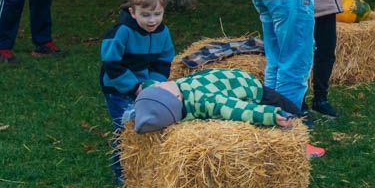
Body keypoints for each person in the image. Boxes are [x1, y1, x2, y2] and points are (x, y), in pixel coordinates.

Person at [99, 0, 175, 183]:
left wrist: (153, 84)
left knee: (148, 122)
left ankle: (146, 167)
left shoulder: (162, 32)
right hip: (117, 88)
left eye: (157, 14)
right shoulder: (121, 32)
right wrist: (134, 86)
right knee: (125, 128)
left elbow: (164, 61)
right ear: (133, 12)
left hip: (144, 86)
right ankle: (121, 173)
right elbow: (111, 63)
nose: (152, 20)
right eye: (146, 15)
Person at [124, 68, 302, 133]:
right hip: (251, 88)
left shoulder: (166, 95)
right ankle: (303, 126)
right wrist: (270, 115)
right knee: (294, 113)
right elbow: (239, 109)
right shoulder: (207, 100)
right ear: (176, 98)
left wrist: (142, 96)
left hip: (231, 78)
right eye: (160, 87)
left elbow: (151, 89)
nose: (159, 83)